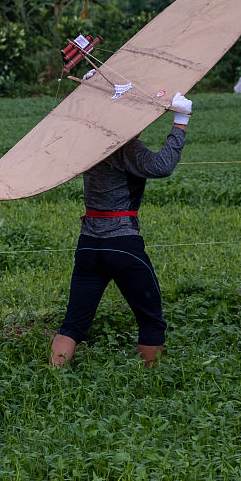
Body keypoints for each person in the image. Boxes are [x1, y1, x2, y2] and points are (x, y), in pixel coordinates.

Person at [50, 92, 191, 369]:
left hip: (89, 243)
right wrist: (180, 122)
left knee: (74, 324)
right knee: (151, 320)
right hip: (123, 244)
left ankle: (52, 381)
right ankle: (151, 385)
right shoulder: (125, 148)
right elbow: (162, 167)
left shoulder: (91, 146)